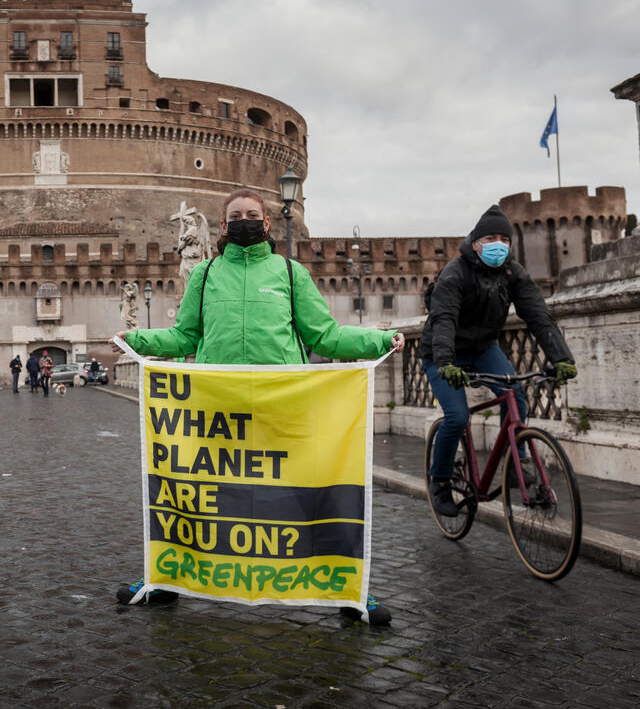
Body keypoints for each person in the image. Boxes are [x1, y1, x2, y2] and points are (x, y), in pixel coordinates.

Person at [112, 188, 404, 626]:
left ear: (267, 224)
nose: (244, 221)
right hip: (217, 406)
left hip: (283, 402)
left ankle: (349, 586)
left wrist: (379, 338)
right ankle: (165, 578)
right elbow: (184, 338)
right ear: (223, 225)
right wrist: (134, 339)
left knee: (311, 492)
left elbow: (323, 335)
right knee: (195, 496)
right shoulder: (206, 276)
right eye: (235, 215)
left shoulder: (290, 274)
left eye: (252, 214)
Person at [420, 205, 576, 518]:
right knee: (457, 417)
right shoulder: (454, 273)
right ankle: (439, 480)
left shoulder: (513, 274)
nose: (498, 244)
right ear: (475, 242)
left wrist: (561, 358)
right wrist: (447, 362)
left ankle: (515, 463)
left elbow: (538, 317)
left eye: (504, 238)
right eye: (490, 237)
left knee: (515, 394)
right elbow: (445, 320)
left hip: (482, 349)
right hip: (441, 353)